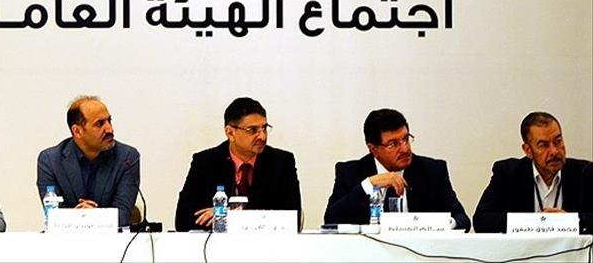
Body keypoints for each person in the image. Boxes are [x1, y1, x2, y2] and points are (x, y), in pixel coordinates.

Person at [324, 108, 470, 230]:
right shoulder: (350, 172)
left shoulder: (432, 171)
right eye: (393, 144)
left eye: (405, 139)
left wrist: (435, 226)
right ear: (373, 149)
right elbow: (331, 220)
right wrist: (368, 185)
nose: (405, 149)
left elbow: (462, 219)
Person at [175, 97, 302, 231]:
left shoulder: (281, 163)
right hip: (217, 243)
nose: (262, 136)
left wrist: (226, 215)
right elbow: (183, 220)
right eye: (252, 130)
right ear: (230, 133)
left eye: (264, 128)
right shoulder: (205, 162)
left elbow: (292, 219)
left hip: (266, 243)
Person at [473, 111, 592, 233]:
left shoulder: (585, 172)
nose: (554, 151)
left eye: (558, 141)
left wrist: (570, 221)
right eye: (543, 145)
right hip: (524, 246)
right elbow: (481, 220)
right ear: (528, 150)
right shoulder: (508, 173)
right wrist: (535, 222)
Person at [37, 95, 139, 227]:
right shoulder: (50, 161)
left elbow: (123, 214)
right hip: (67, 237)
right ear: (77, 131)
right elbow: (54, 215)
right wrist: (86, 217)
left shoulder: (127, 158)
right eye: (99, 124)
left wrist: (91, 216)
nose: (110, 129)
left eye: (109, 121)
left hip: (112, 238)